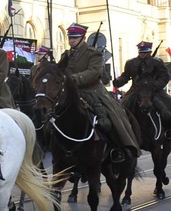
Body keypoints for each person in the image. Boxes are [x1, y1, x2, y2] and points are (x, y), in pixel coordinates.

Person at [59, 23, 140, 162]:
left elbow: (93, 72)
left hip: (92, 90)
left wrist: (72, 79)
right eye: (70, 37)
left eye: (75, 37)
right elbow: (60, 69)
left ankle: (121, 147)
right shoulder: (66, 55)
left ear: (83, 38)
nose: (71, 40)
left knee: (110, 115)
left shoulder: (93, 53)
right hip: (72, 91)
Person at [113, 41, 171, 138]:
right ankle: (120, 133)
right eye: (141, 52)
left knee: (167, 105)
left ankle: (168, 130)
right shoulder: (131, 63)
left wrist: (155, 86)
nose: (142, 54)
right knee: (122, 108)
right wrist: (118, 82)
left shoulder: (157, 62)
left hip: (154, 90)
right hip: (136, 90)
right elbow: (126, 76)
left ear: (150, 52)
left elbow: (164, 77)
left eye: (145, 52)